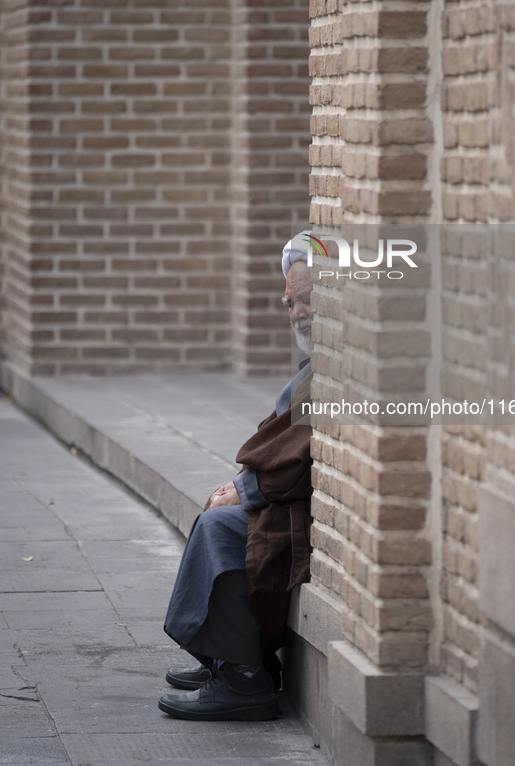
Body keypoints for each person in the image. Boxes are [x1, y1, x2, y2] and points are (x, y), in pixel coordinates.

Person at [158, 236, 314, 722]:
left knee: (222, 530)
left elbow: (303, 453)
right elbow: (285, 442)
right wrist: (243, 485)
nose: (298, 314)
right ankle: (237, 661)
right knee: (219, 517)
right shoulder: (318, 364)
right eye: (292, 303)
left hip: (309, 513)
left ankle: (245, 678)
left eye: (309, 300)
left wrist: (245, 490)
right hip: (294, 499)